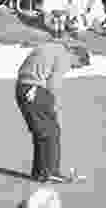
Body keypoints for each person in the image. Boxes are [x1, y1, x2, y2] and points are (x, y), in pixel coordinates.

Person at [16, 40, 90, 183]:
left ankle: (40, 173)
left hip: (22, 88)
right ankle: (51, 172)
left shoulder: (51, 47)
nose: (72, 68)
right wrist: (56, 106)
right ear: (75, 55)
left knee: (41, 132)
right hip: (34, 89)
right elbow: (54, 84)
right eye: (76, 65)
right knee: (52, 132)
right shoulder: (64, 55)